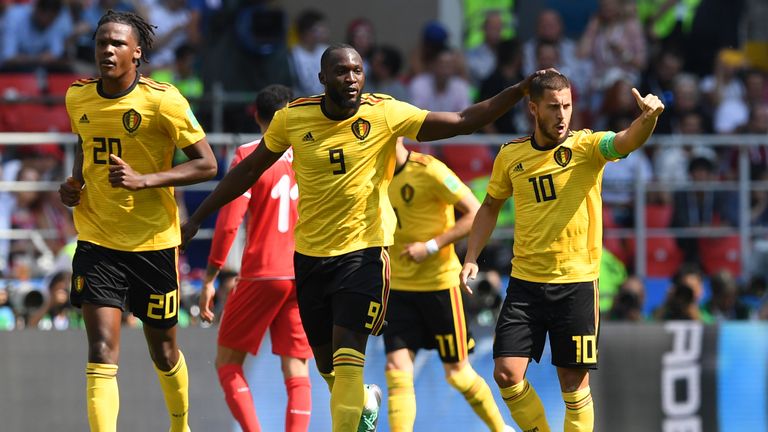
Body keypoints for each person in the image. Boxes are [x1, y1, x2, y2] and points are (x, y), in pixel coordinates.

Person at [181, 43, 547, 432]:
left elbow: (462, 119)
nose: (352, 78)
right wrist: (197, 218)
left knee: (348, 360)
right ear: (322, 79)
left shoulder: (384, 112)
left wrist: (519, 90)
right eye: (342, 71)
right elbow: (249, 169)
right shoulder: (293, 118)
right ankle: (365, 403)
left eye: (357, 70)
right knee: (329, 370)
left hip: (365, 255)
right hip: (308, 258)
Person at [460, 70, 664, 432]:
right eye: (554, 107)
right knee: (506, 374)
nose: (562, 115)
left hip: (576, 285)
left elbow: (625, 142)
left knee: (573, 385)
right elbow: (489, 206)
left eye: (567, 106)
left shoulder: (586, 148)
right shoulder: (511, 156)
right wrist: (472, 257)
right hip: (525, 284)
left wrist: (647, 119)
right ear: (533, 108)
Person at [57, 10, 217, 432]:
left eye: (117, 44)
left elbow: (207, 164)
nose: (106, 50)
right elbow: (83, 141)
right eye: (101, 43)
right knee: (101, 348)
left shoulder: (163, 100)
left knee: (163, 353)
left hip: (153, 243)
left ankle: (180, 425)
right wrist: (75, 183)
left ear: (138, 52)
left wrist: (146, 180)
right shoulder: (78, 96)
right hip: (97, 239)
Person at [199, 84, 313, 432]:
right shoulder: (311, 154)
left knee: (227, 362)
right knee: (297, 369)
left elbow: (229, 220)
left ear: (256, 115)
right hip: (304, 273)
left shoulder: (250, 154)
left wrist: (210, 277)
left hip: (263, 273)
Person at [384, 139, 509, 431]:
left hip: (439, 286)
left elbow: (475, 212)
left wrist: (430, 246)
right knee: (396, 371)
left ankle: (501, 429)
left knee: (458, 374)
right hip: (399, 289)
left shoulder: (430, 171)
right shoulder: (373, 174)